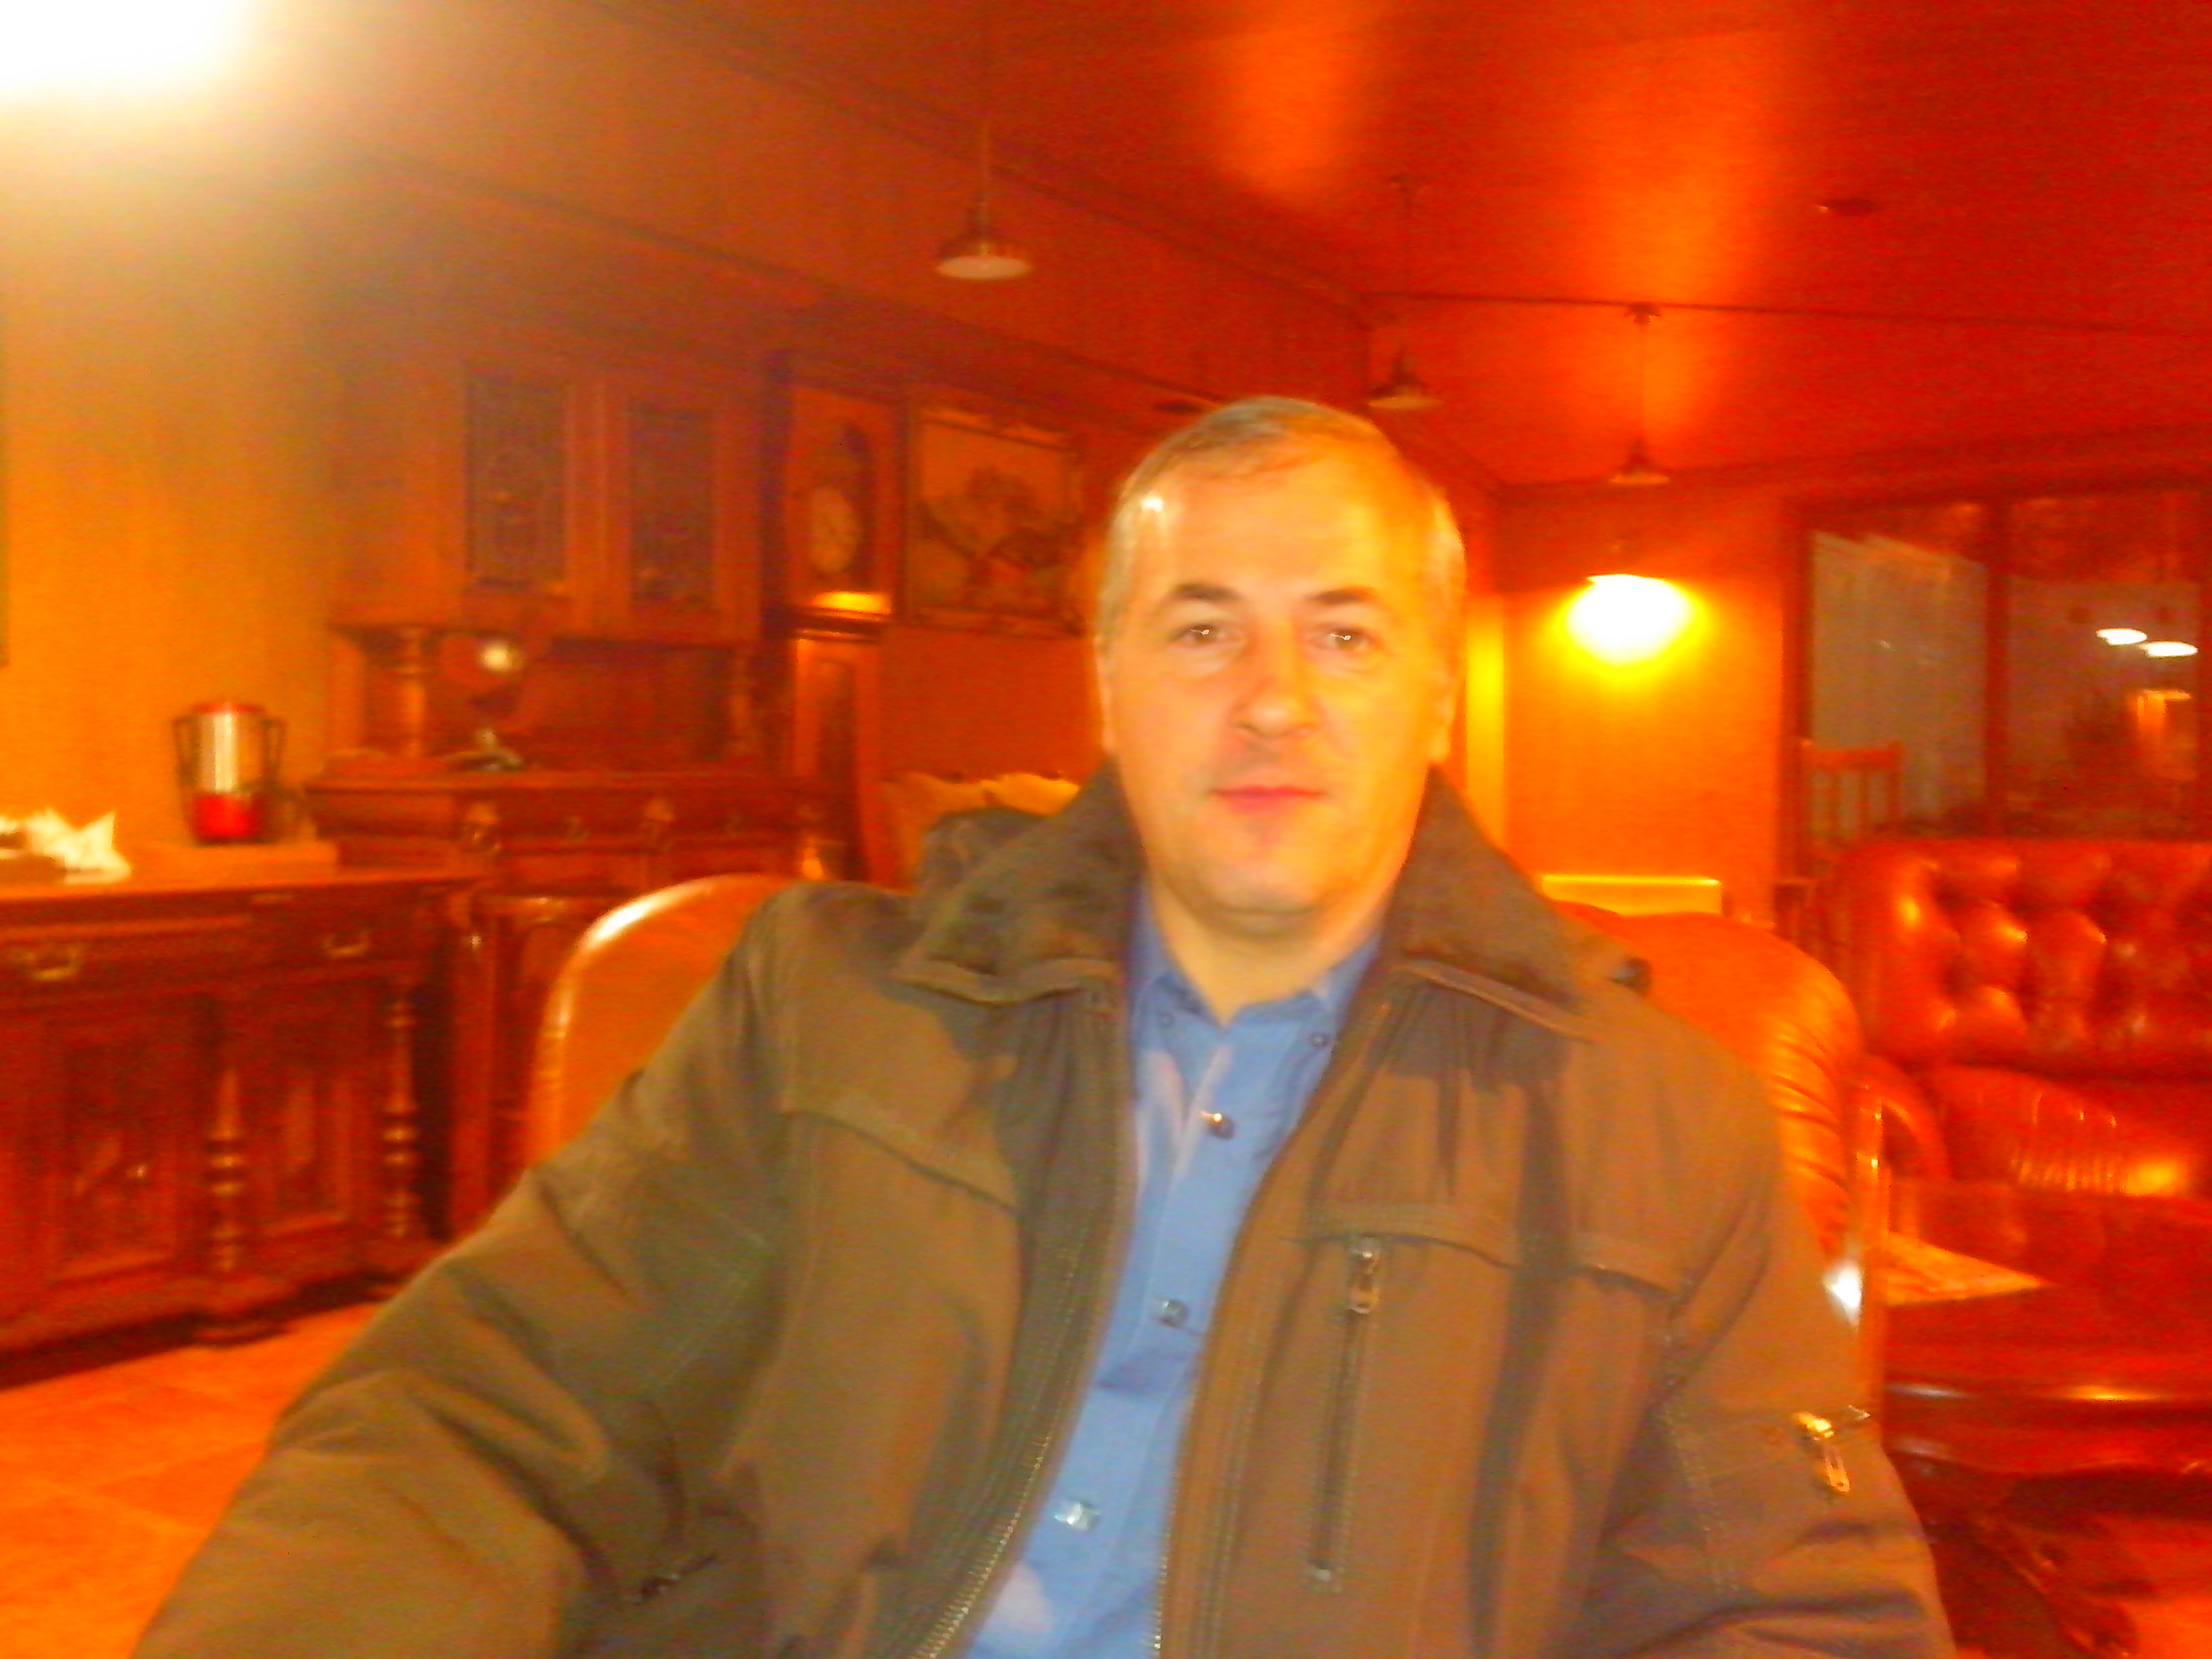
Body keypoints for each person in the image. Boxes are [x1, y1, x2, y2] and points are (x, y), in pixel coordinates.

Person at [139, 397, 1947, 1658]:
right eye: (1200, 631)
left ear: (1436, 699)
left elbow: (1792, 1613)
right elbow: (481, 1422)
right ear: (1104, 684)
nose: (1270, 701)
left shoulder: (1657, 1125)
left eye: (1342, 636)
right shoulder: (820, 1012)